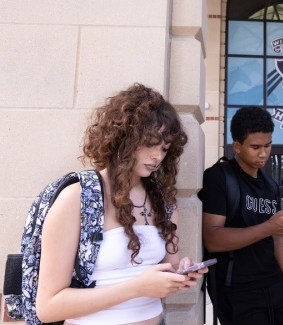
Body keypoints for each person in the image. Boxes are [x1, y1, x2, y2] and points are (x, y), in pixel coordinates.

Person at [36, 83, 207, 325]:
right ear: (122, 137)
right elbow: (48, 307)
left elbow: (168, 266)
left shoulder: (162, 200)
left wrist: (181, 273)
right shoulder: (78, 198)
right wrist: (137, 288)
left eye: (165, 148)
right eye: (149, 143)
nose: (157, 156)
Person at [198, 106, 283, 325]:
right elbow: (212, 239)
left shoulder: (270, 186)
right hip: (237, 291)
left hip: (275, 286)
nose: (264, 153)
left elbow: (277, 241)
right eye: (255, 147)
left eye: (268, 145)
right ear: (237, 146)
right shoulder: (218, 178)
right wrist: (268, 227)